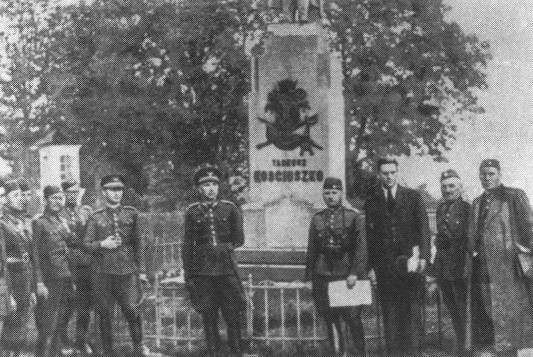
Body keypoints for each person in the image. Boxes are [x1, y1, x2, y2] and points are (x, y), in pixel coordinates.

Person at [364, 157, 430, 356]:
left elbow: (424, 229)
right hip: (385, 270)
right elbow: (370, 238)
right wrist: (371, 269)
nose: (389, 176)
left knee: (411, 316)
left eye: (392, 172)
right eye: (385, 173)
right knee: (390, 317)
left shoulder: (412, 197)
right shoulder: (372, 201)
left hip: (410, 267)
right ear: (379, 174)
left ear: (397, 172)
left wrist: (424, 258)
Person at [466, 159, 533, 355]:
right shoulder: (477, 202)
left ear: (499, 174)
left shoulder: (513, 196)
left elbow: (529, 227)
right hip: (484, 265)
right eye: (483, 174)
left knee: (511, 312)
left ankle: (510, 350)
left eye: (491, 174)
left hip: (508, 265)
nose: (486, 178)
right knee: (489, 307)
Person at [182, 164, 246, 357]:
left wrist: (222, 250)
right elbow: (187, 246)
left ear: (219, 187)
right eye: (206, 185)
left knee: (232, 312)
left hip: (226, 270)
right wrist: (189, 274)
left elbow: (239, 239)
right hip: (204, 272)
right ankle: (213, 351)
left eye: (214, 185)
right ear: (199, 189)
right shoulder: (192, 212)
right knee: (208, 314)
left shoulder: (230, 209)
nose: (211, 189)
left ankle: (236, 351)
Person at [83, 175, 147, 357]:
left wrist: (141, 271)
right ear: (104, 192)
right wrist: (102, 244)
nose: (117, 193)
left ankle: (138, 348)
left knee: (132, 310)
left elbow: (138, 244)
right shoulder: (95, 218)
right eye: (112, 189)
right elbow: (86, 245)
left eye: (119, 189)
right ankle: (108, 352)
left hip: (127, 271)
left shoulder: (131, 213)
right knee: (104, 314)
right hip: (103, 273)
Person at [304, 177, 367, 356]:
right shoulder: (317, 219)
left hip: (346, 275)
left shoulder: (353, 217)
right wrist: (309, 277)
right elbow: (312, 250)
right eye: (327, 193)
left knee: (352, 318)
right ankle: (338, 353)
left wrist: (355, 272)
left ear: (341, 193)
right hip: (323, 275)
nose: (331, 196)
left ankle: (360, 353)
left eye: (334, 192)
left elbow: (361, 248)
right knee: (330, 319)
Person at [0, 180, 48, 355]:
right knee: (11, 328)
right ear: (5, 200)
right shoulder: (2, 224)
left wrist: (33, 288)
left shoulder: (22, 222)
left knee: (24, 327)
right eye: (15, 195)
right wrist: (7, 293)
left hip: (25, 281)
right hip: (12, 282)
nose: (20, 198)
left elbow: (31, 256)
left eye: (21, 195)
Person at [33, 185, 76, 357]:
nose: (58, 202)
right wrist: (39, 281)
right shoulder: (39, 222)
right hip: (50, 278)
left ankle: (55, 352)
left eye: (60, 198)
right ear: (46, 200)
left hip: (65, 276)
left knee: (63, 319)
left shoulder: (61, 221)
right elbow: (35, 253)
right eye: (54, 198)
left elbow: (73, 243)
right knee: (48, 323)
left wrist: (67, 230)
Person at [431, 170, 470, 355]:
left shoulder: (468, 209)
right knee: (452, 310)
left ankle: (467, 348)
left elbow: (470, 240)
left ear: (460, 187)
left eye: (451, 186)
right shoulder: (440, 208)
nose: (447, 190)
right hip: (443, 268)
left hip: (460, 267)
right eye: (444, 186)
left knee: (464, 311)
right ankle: (460, 346)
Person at [59, 179, 94, 355]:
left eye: (75, 192)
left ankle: (81, 341)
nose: (72, 195)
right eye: (69, 192)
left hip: (85, 264)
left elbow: (92, 234)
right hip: (66, 264)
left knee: (84, 306)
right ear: (64, 193)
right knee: (66, 305)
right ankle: (63, 341)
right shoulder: (59, 214)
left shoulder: (86, 211)